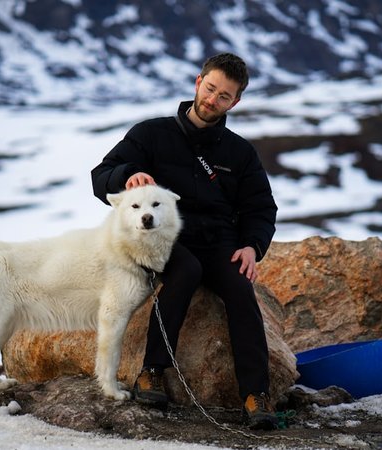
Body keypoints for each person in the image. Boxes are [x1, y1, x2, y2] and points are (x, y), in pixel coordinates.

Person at [91, 52, 278, 430]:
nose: (213, 100)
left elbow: (261, 207)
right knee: (186, 271)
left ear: (235, 101)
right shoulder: (151, 134)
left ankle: (256, 396)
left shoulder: (240, 153)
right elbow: (101, 176)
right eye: (210, 89)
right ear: (198, 82)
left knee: (241, 289)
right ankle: (152, 372)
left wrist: (251, 247)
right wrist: (128, 175)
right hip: (163, 241)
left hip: (220, 243)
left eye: (224, 96)